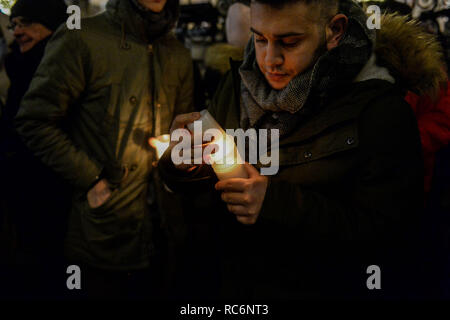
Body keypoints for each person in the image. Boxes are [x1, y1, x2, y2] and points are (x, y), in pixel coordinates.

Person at [159, 0, 446, 299]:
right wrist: (180, 162)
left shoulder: (379, 111)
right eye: (259, 38)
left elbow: (390, 238)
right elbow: (203, 191)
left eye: (289, 42)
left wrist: (276, 204)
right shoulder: (238, 86)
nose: (269, 59)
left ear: (335, 31)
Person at [15, 0, 194, 299]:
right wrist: (93, 179)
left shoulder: (177, 52)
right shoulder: (81, 38)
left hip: (164, 230)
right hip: (101, 233)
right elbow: (34, 121)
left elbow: (182, 131)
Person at [0, 0, 69, 299]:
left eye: (25, 23)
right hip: (22, 182)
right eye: (14, 25)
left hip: (53, 185)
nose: (17, 31)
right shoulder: (18, 63)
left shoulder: (60, 67)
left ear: (50, 24)